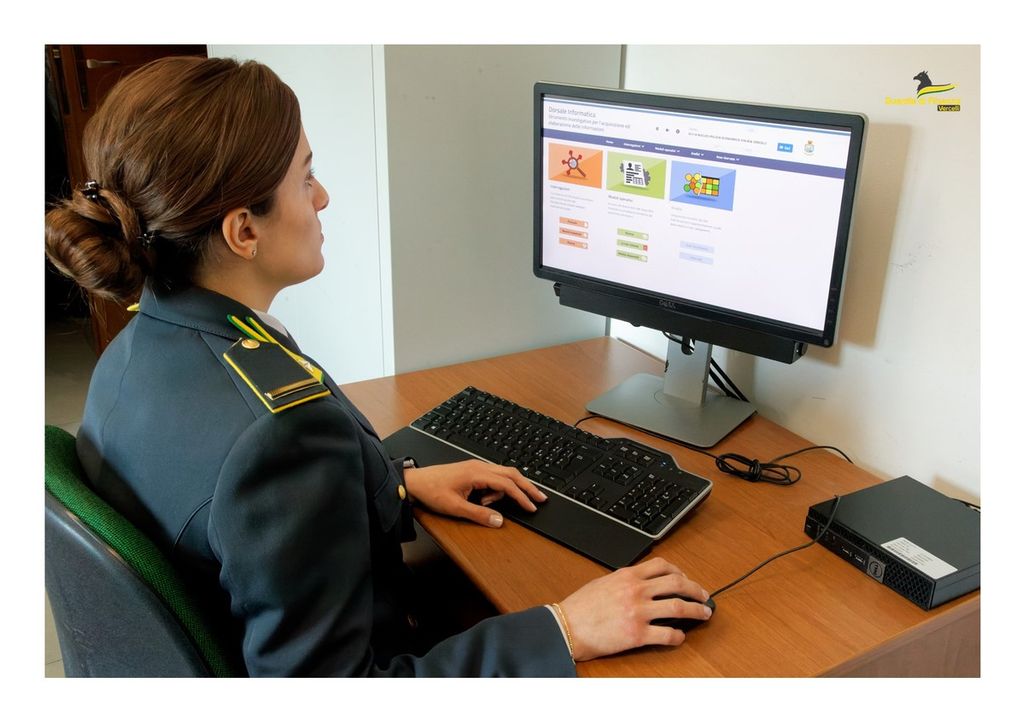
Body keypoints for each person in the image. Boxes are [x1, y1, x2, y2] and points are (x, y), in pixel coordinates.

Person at [44, 55, 713, 677]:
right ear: (244, 231)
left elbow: (232, 515)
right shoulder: (279, 434)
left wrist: (393, 486)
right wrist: (565, 627)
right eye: (305, 178)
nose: (324, 198)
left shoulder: (139, 344)